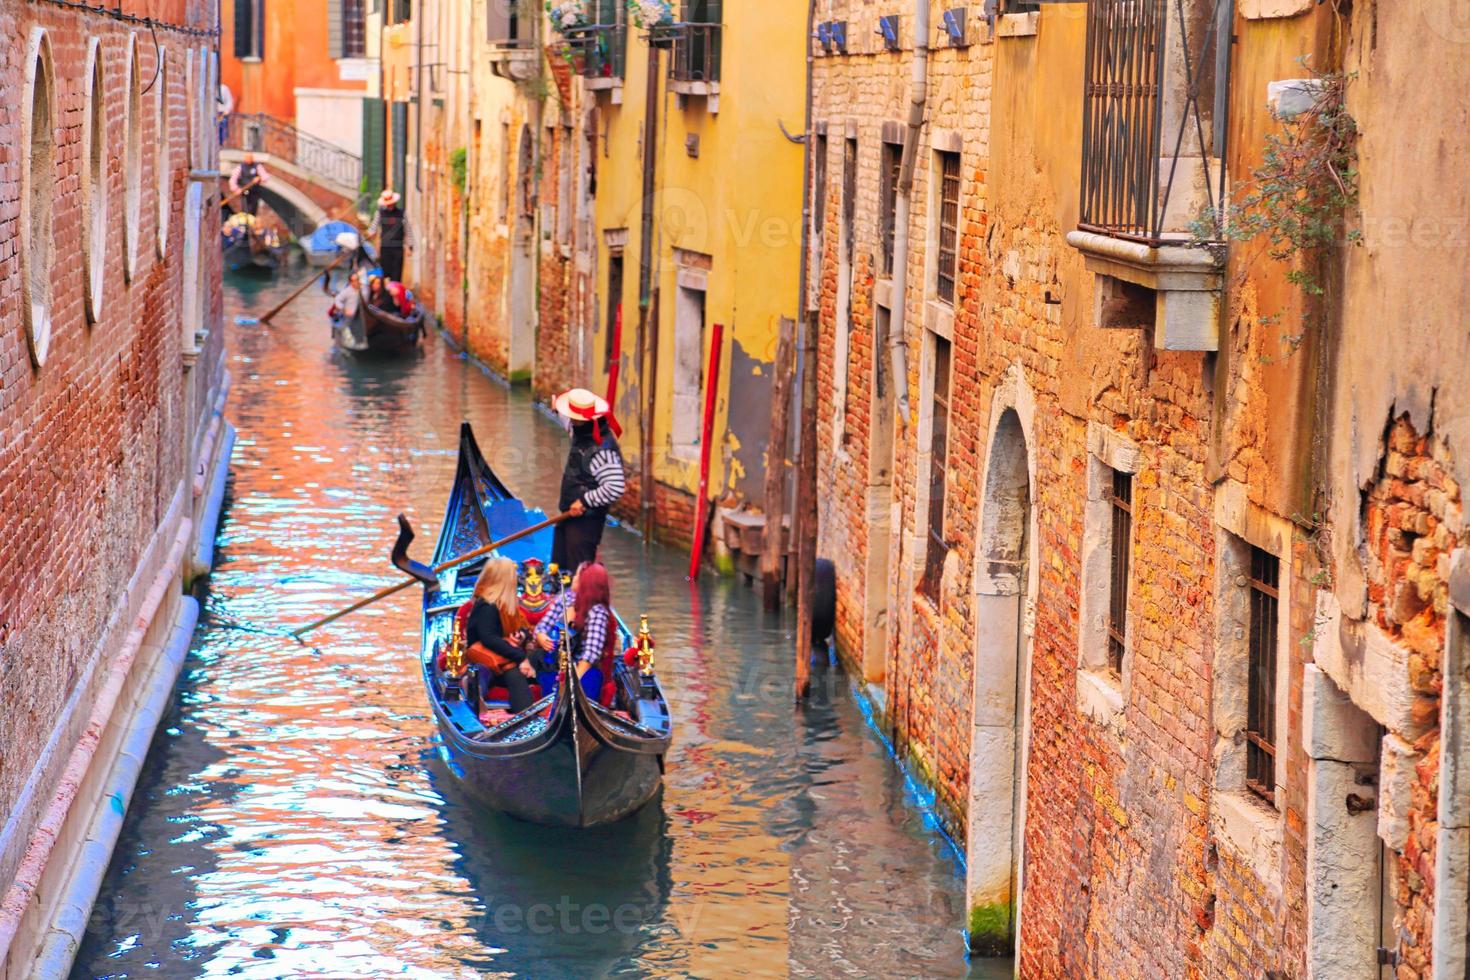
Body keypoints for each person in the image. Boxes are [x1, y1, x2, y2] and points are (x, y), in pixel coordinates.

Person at [551, 388, 626, 572]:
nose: (570, 419)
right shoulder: (581, 430)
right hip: (568, 517)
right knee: (560, 570)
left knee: (578, 573)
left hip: (585, 525)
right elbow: (568, 423)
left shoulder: (603, 450)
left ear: (582, 419)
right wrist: (556, 409)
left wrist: (584, 501)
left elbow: (616, 487)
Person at [463, 558, 538, 714]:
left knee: (528, 665)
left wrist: (520, 636)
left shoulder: (502, 603)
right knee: (513, 672)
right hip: (485, 660)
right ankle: (524, 718)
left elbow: (522, 626)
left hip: (503, 656)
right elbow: (489, 639)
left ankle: (527, 716)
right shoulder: (487, 606)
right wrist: (520, 658)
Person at [534, 561, 616, 701]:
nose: (574, 578)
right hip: (555, 664)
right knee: (547, 671)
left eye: (578, 575)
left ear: (587, 582)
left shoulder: (598, 612)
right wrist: (541, 636)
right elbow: (542, 627)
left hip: (584, 669)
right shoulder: (565, 599)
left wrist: (574, 681)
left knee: (586, 682)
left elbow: (591, 653)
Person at [366, 189, 411, 283]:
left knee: (396, 275)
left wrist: (409, 246)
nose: (389, 205)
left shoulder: (402, 214)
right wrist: (370, 233)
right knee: (385, 274)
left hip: (398, 248)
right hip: (385, 248)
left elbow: (408, 230)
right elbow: (373, 227)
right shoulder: (380, 213)